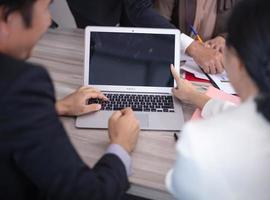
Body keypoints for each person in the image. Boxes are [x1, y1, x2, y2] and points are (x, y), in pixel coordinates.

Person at [0, 0, 141, 199]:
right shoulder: (21, 84)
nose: (49, 21)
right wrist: (121, 146)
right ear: (7, 17)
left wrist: (57, 106)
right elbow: (88, 194)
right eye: (46, 9)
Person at [167, 0, 270, 199]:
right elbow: (251, 118)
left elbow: (173, 183)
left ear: (236, 61)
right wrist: (196, 97)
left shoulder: (198, 143)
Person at [66, 0, 223, 74]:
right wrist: (193, 47)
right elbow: (139, 10)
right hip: (93, 5)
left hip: (136, 9)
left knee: (135, 52)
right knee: (96, 55)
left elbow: (139, 10)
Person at [154, 0, 241, 73]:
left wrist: (224, 38)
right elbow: (156, 25)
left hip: (213, 68)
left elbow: (247, 26)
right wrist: (192, 47)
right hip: (176, 61)